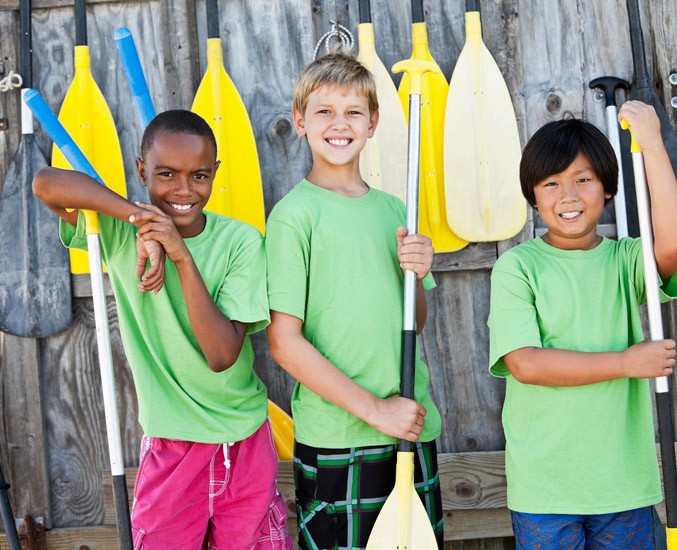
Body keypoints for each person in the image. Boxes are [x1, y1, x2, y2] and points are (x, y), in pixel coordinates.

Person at [33, 110, 291, 549]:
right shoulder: (115, 233)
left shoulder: (241, 243)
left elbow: (222, 355)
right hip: (171, 446)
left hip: (243, 442)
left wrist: (180, 255)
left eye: (200, 175)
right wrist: (139, 220)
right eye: (166, 174)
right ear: (141, 171)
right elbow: (45, 183)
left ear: (216, 174)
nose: (184, 190)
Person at [487, 101, 677, 548]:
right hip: (546, 486)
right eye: (552, 183)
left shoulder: (625, 261)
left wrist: (651, 145)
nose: (569, 195)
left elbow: (674, 243)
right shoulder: (518, 268)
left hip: (622, 480)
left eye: (583, 179)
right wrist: (625, 362)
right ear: (533, 195)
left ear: (608, 188)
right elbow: (526, 364)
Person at [265, 52, 444, 549]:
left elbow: (415, 318)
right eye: (324, 111)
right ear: (300, 121)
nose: (339, 124)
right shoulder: (293, 217)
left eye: (353, 112)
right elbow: (283, 342)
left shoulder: (393, 209)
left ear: (373, 123)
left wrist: (419, 271)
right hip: (341, 438)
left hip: (410, 424)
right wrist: (375, 411)